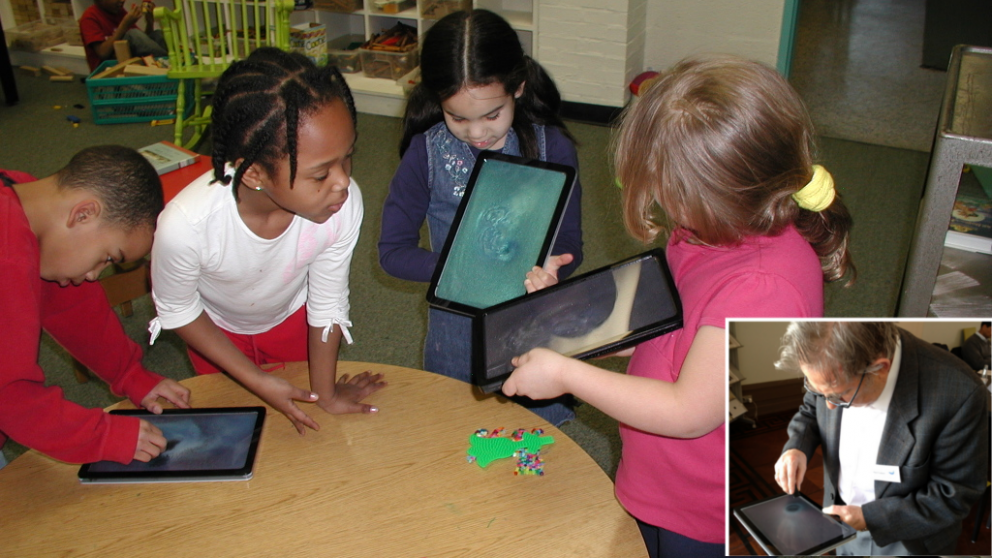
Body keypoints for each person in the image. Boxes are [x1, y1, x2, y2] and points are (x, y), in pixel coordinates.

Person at [502, 54, 856, 557]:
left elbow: (689, 411)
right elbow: (664, 333)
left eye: (665, 191)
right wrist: (567, 321)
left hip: (702, 506)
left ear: (714, 195)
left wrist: (566, 376)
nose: (658, 203)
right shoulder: (703, 233)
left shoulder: (762, 287)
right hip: (659, 479)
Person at [149, 47, 385, 435]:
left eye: (348, 157)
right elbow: (177, 309)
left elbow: (326, 302)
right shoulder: (186, 225)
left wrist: (324, 394)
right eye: (321, 173)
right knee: (236, 428)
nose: (343, 182)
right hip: (215, 331)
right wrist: (256, 381)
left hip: (292, 319)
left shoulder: (341, 203)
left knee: (300, 434)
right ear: (255, 173)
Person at [378, 9, 583, 426]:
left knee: (536, 438)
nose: (477, 134)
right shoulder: (427, 153)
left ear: (518, 88)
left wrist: (554, 270)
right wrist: (466, 268)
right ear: (438, 101)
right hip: (458, 329)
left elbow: (569, 245)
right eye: (458, 118)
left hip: (531, 324)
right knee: (458, 429)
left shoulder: (552, 146)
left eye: (492, 115)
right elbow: (392, 252)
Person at [0, 145, 191, 469]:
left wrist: (130, 375)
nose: (92, 275)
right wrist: (104, 436)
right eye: (108, 257)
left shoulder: (29, 205)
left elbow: (75, 310)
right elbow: (10, 397)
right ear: (83, 214)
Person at [773, 322, 988, 555]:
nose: (829, 405)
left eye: (840, 395)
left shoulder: (961, 393)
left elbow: (954, 494)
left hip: (910, 541)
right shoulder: (828, 369)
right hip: (839, 523)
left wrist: (871, 518)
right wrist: (796, 447)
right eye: (818, 391)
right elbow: (811, 408)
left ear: (880, 368)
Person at [79, 0, 167, 71]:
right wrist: (124, 25)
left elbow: (143, 43)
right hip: (108, 73)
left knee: (157, 34)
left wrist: (149, 22)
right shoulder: (89, 17)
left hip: (130, 64)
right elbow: (103, 53)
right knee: (133, 34)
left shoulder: (119, 12)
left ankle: (167, 64)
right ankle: (167, 64)